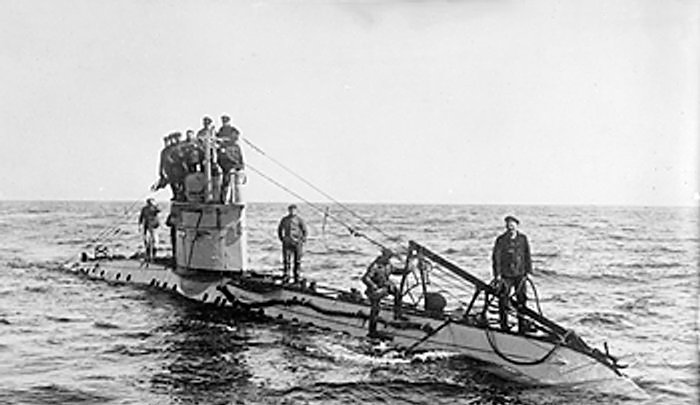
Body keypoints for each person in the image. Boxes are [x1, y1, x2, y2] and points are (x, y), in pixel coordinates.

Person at [491, 215, 532, 333]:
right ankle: (504, 325)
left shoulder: (523, 239)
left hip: (520, 274)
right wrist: (497, 274)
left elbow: (527, 255)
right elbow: (496, 257)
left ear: (517, 225)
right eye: (508, 225)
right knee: (503, 299)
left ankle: (522, 325)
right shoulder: (501, 239)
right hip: (506, 275)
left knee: (522, 299)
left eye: (512, 224)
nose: (510, 227)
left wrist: (528, 272)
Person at [361, 248, 406, 338]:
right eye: (387, 257)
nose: (388, 259)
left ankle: (397, 313)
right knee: (375, 309)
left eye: (389, 257)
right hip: (375, 290)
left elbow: (397, 271)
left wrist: (408, 269)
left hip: (384, 287)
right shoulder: (375, 266)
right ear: (383, 256)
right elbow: (365, 278)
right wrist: (373, 285)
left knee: (398, 293)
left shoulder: (388, 265)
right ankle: (372, 331)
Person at [216, 115, 244, 202]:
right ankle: (223, 198)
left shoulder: (233, 131)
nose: (224, 123)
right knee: (225, 180)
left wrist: (241, 166)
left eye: (226, 121)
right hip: (224, 161)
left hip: (232, 164)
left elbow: (239, 156)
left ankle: (230, 198)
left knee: (231, 181)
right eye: (223, 121)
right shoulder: (221, 130)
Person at [277, 204, 307, 283]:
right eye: (290, 210)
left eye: (293, 210)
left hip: (297, 243)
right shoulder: (284, 219)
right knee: (286, 260)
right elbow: (280, 229)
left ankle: (296, 276)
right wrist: (282, 238)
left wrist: (302, 240)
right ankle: (286, 275)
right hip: (287, 242)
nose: (292, 211)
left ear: (296, 211)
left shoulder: (299, 220)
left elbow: (305, 231)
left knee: (297, 261)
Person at [139, 198, 161, 263]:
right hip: (146, 226)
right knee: (146, 240)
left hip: (154, 226)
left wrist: (155, 206)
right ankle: (148, 256)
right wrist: (140, 225)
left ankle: (154, 256)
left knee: (155, 240)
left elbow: (159, 210)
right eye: (148, 203)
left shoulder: (155, 208)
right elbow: (141, 217)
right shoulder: (144, 209)